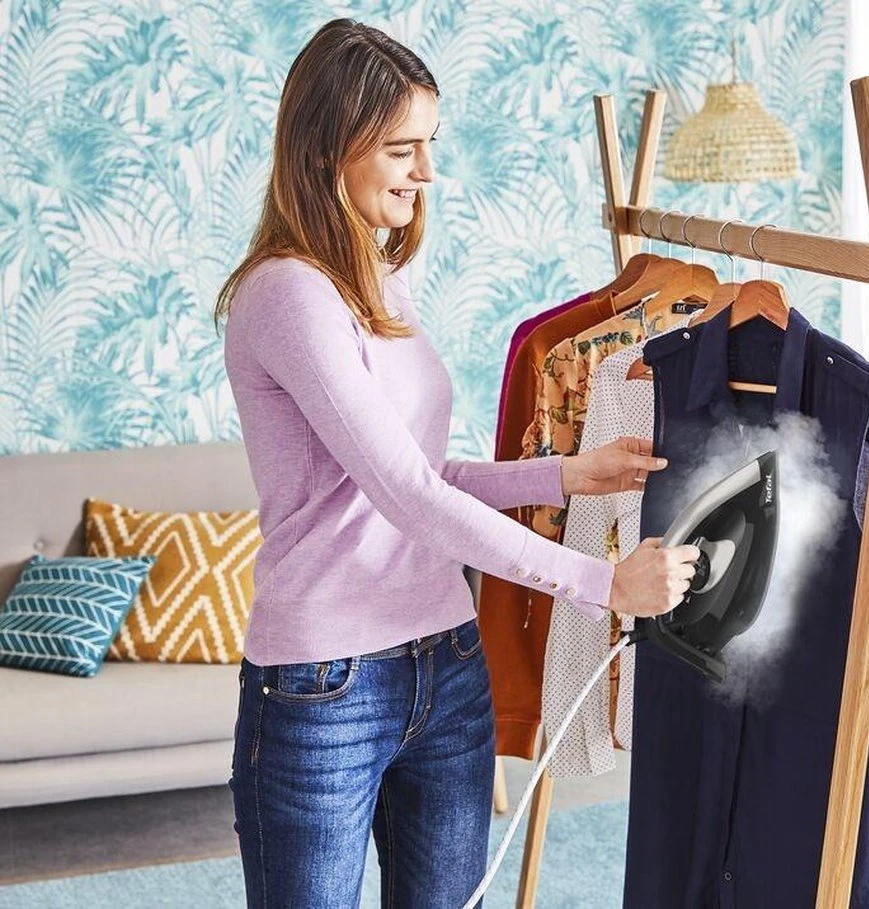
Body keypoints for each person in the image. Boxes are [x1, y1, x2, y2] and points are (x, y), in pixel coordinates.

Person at [213, 17, 699, 909]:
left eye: (429, 144)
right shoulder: (287, 293)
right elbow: (408, 497)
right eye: (402, 150)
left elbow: (423, 472)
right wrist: (603, 584)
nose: (427, 172)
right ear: (326, 149)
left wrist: (564, 475)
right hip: (326, 684)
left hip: (445, 659)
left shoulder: (379, 280)